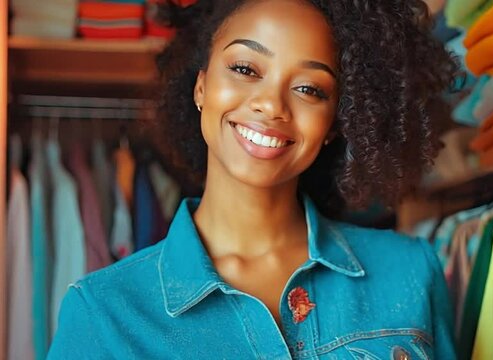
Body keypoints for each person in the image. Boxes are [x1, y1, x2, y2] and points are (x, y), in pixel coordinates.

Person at [48, 0, 457, 358]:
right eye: (245, 68)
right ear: (201, 87)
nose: (270, 104)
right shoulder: (104, 311)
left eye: (309, 89)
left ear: (334, 122)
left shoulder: (410, 270)